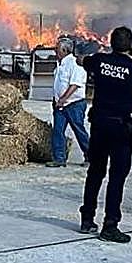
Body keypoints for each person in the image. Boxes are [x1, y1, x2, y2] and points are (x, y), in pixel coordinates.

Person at [79, 26, 132, 243]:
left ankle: (87, 218)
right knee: (117, 177)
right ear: (130, 45)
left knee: (95, 172)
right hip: (121, 129)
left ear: (111, 43)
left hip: (99, 125)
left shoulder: (99, 61)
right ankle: (110, 225)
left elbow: (81, 61)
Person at [48, 37, 89, 168]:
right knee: (58, 131)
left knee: (79, 130)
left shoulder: (75, 63)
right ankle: (59, 158)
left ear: (64, 50)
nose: (55, 51)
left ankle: (91, 156)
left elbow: (75, 85)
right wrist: (56, 100)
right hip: (60, 105)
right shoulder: (60, 65)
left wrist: (63, 99)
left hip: (74, 104)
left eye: (57, 49)